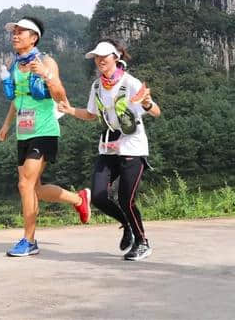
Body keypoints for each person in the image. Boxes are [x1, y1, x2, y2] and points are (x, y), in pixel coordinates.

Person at [58, 39, 161, 261]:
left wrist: (147, 104)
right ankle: (127, 224)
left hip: (132, 145)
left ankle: (143, 242)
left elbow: (156, 112)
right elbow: (91, 115)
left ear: (116, 57)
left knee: (126, 199)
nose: (100, 61)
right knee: (98, 195)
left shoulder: (130, 82)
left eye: (104, 56)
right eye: (97, 57)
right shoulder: (96, 86)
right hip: (108, 146)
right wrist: (69, 110)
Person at [0, 17, 91, 257]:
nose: (15, 36)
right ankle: (79, 199)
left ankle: (28, 241)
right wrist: (6, 124)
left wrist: (47, 75)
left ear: (34, 37)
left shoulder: (47, 61)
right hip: (24, 133)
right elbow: (17, 98)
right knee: (34, 189)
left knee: (24, 184)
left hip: (45, 131)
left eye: (20, 32)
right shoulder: (15, 66)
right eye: (13, 32)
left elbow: (60, 95)